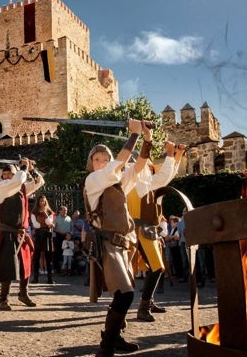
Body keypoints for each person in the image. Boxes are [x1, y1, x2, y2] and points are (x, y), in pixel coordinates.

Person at [84, 119, 152, 357]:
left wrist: (147, 137)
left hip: (123, 245)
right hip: (106, 244)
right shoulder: (93, 181)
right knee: (125, 294)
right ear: (91, 165)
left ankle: (114, 336)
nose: (101, 163)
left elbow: (139, 165)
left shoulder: (118, 181)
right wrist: (133, 135)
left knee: (122, 294)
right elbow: (119, 164)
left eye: (105, 159)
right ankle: (106, 347)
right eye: (97, 159)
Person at [127, 142, 186, 322]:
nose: (152, 170)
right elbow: (163, 177)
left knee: (155, 268)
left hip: (146, 230)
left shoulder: (143, 183)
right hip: (141, 230)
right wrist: (170, 153)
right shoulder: (139, 184)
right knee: (154, 268)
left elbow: (166, 176)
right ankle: (143, 307)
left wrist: (177, 154)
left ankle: (148, 302)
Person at [0, 158, 44, 310]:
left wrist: (32, 169)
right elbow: (17, 181)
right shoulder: (2, 187)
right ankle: (3, 299)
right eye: (5, 174)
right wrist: (23, 168)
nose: (7, 176)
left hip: (20, 233)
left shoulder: (21, 188)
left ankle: (23, 294)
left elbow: (39, 182)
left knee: (25, 265)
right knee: (8, 267)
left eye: (10, 174)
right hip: (7, 233)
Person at [30, 194, 55, 284]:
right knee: (36, 257)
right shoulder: (34, 212)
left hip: (47, 235)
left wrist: (45, 214)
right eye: (41, 201)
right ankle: (35, 278)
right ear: (38, 202)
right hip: (39, 235)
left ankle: (50, 278)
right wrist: (46, 224)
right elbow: (36, 225)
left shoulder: (49, 212)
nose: (42, 202)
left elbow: (50, 222)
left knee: (49, 257)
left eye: (44, 201)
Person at [53, 205, 72, 273]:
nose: (65, 212)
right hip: (59, 236)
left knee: (67, 251)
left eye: (66, 210)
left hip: (67, 237)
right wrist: (60, 232)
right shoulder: (56, 218)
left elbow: (71, 227)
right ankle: (57, 268)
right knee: (58, 252)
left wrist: (70, 234)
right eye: (64, 210)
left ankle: (68, 268)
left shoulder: (69, 218)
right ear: (60, 211)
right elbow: (53, 228)